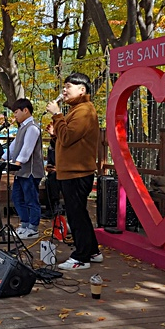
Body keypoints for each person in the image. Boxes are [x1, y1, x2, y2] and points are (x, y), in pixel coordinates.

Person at [46, 72, 101, 270]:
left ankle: (81, 257)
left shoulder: (84, 111)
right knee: (79, 214)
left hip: (77, 172)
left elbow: (68, 138)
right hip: (71, 171)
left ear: (82, 89)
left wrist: (57, 115)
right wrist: (55, 134)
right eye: (64, 86)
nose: (64, 90)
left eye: (69, 86)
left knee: (76, 215)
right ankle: (92, 251)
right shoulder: (76, 110)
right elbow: (67, 138)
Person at [3, 99, 44, 240]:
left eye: (16, 112)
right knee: (17, 198)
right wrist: (2, 159)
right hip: (20, 171)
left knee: (31, 199)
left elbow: (27, 149)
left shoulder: (32, 127)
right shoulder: (22, 127)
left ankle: (33, 228)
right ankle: (25, 224)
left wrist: (17, 163)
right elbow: (14, 146)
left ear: (25, 110)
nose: (14, 115)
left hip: (30, 171)